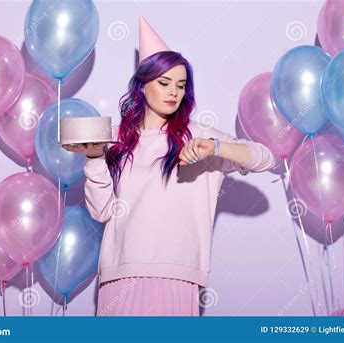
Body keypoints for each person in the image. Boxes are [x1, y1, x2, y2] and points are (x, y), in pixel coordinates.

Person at [63, 17, 275, 316]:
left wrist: (215, 148)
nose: (174, 92)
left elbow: (265, 158)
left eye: (180, 85)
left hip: (178, 272)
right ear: (142, 86)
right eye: (164, 83)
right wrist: (95, 157)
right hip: (119, 272)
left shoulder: (199, 135)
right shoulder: (115, 137)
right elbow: (101, 212)